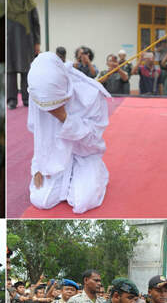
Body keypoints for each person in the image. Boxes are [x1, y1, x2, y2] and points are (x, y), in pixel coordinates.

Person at [27, 52, 109, 214]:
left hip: (84, 154)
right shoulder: (37, 93)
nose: (49, 111)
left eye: (53, 105)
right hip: (53, 155)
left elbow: (93, 140)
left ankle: (98, 172)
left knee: (83, 202)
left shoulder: (91, 95)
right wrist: (37, 167)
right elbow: (38, 135)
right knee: (40, 199)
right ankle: (67, 179)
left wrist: (65, 119)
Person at [7, 0, 40, 109]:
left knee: (27, 69)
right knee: (10, 70)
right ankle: (12, 99)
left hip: (26, 41)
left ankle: (27, 98)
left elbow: (36, 24)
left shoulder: (29, 3)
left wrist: (37, 43)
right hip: (9, 41)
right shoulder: (5, 1)